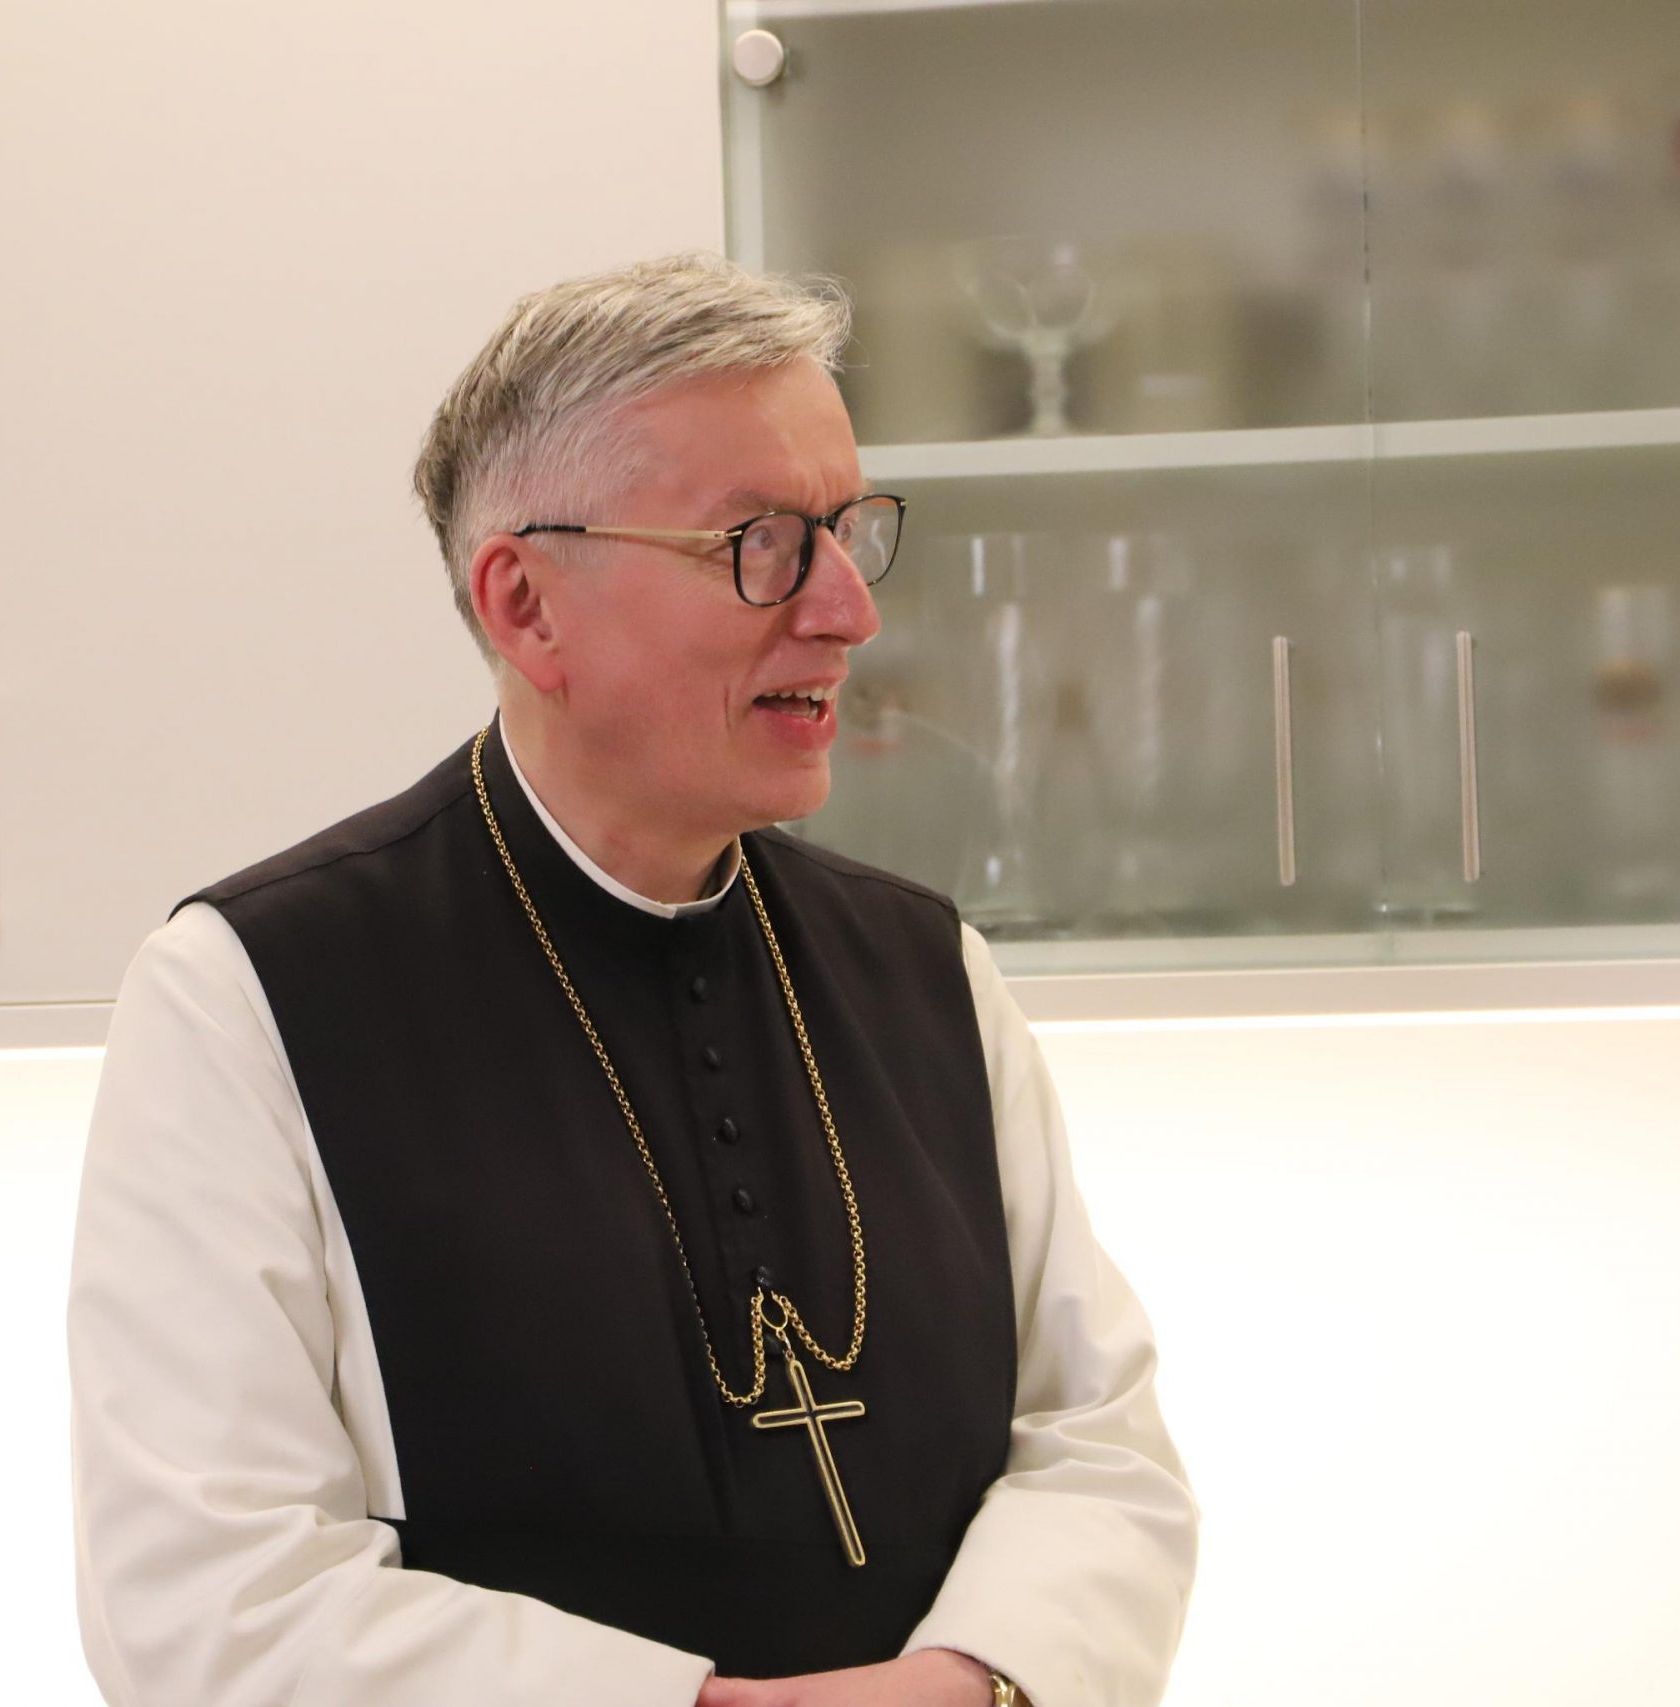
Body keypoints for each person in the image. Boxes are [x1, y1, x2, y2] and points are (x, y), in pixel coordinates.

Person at [67, 252, 1197, 1707]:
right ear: (528, 605)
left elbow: (1097, 1442)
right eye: (761, 543)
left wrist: (976, 1680)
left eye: (849, 532)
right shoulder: (247, 994)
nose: (846, 610)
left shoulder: (929, 969)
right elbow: (208, 1598)